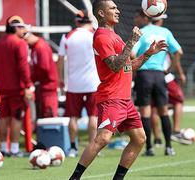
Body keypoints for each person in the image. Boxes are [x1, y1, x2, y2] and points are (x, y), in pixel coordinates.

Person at [68, 0, 167, 179]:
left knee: (139, 138)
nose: (118, 11)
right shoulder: (101, 37)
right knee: (103, 139)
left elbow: (128, 66)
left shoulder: (115, 36)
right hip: (111, 97)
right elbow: (115, 66)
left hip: (125, 99)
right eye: (113, 8)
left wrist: (148, 54)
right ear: (101, 13)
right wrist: (131, 42)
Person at [131, 9, 184, 156]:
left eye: (136, 16)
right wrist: (169, 69)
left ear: (144, 17)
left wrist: (133, 68)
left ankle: (149, 148)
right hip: (159, 75)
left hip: (143, 75)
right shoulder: (165, 32)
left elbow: (132, 54)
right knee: (163, 111)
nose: (135, 19)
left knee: (145, 112)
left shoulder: (140, 33)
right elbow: (178, 52)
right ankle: (168, 147)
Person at [0, 15, 34, 157]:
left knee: (3, 117)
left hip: (3, 87)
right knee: (16, 118)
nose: (24, 30)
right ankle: (14, 149)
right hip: (17, 88)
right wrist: (28, 85)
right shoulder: (19, 43)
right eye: (22, 27)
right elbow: (23, 67)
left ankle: (3, 148)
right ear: (16, 28)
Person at [57, 10, 100, 157]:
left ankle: (73, 148)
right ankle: (93, 148)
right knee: (93, 116)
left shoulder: (67, 37)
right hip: (94, 83)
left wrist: (60, 79)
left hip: (74, 83)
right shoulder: (95, 35)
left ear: (77, 22)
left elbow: (60, 59)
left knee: (73, 117)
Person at [148, 14, 190, 146]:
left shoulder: (143, 32)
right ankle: (176, 131)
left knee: (153, 108)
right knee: (178, 100)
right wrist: (179, 72)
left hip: (147, 76)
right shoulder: (163, 33)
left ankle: (158, 139)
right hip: (165, 76)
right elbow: (176, 53)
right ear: (159, 20)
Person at [24, 32, 58, 118]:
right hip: (43, 86)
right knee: (43, 113)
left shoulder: (41, 47)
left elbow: (44, 68)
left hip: (48, 86)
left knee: (49, 114)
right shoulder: (35, 48)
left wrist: (33, 78)